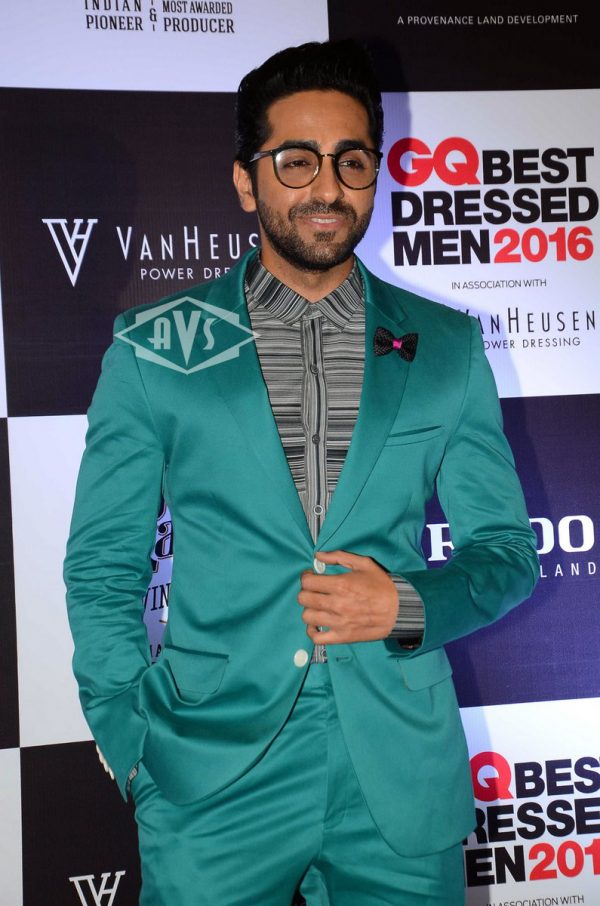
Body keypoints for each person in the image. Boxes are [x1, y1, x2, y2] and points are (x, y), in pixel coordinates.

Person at [64, 40, 539, 906]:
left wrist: (406, 606)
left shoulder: (448, 347)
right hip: (212, 773)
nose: (327, 187)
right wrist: (128, 736)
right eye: (297, 161)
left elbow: (507, 551)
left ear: (375, 173)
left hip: (398, 765)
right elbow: (102, 565)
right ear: (247, 181)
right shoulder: (153, 348)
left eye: (351, 161)